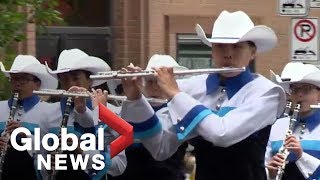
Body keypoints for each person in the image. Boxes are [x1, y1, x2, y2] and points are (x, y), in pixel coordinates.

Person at [120, 10, 286, 180]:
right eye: (220, 46)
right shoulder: (191, 87)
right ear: (212, 50)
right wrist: (135, 98)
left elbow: (223, 134)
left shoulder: (267, 92)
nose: (228, 53)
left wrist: (176, 94)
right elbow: (160, 147)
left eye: (237, 46)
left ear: (253, 52)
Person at [44, 48, 126, 180]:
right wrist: (47, 164)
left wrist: (82, 150)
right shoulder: (48, 114)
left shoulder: (113, 113)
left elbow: (119, 166)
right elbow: (39, 164)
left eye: (76, 78)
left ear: (90, 81)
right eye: (65, 79)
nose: (71, 85)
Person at [108, 54, 188, 180]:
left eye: (160, 82)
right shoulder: (130, 107)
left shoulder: (179, 110)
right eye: (150, 81)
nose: (155, 87)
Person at [0, 55, 58, 180]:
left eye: (23, 79)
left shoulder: (49, 111)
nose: (17, 84)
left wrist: (27, 138)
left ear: (38, 83)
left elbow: (52, 150)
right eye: (14, 79)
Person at [266, 62, 320, 180]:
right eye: (294, 89)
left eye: (306, 89)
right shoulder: (277, 126)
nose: (299, 94)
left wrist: (301, 157)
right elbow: (262, 165)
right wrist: (270, 173)